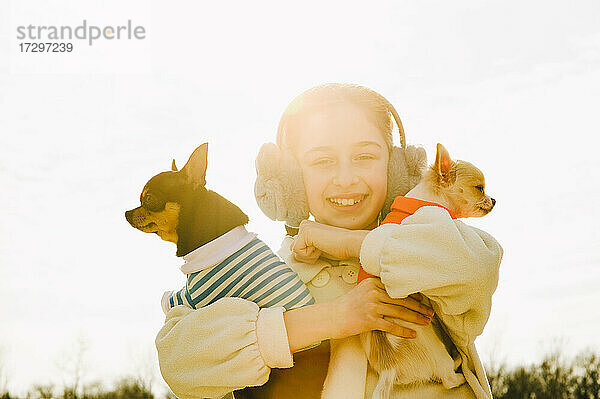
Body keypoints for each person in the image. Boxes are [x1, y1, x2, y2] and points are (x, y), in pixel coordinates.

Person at [155, 83, 502, 399]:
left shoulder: (427, 244)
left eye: (365, 156)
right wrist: (337, 317)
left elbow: (477, 265)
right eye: (322, 161)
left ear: (396, 168)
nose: (345, 179)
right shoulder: (267, 274)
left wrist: (351, 244)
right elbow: (179, 361)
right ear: (289, 179)